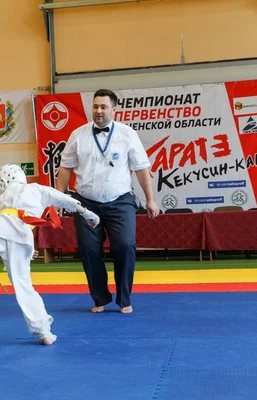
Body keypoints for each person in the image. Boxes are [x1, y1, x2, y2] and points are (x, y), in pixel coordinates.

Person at [0, 164, 100, 345]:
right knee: (23, 285)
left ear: (3, 181)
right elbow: (64, 199)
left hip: (0, 228)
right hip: (21, 236)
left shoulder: (4, 198)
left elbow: (9, 223)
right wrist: (87, 213)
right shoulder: (37, 189)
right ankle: (44, 331)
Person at [56, 88, 160, 314]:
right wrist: (58, 199)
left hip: (120, 201)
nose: (99, 111)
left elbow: (142, 169)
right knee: (88, 250)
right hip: (85, 203)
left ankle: (124, 299)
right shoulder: (78, 135)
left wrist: (150, 199)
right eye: (95, 106)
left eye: (104, 107)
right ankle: (100, 298)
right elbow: (65, 169)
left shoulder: (127, 134)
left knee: (124, 245)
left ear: (114, 109)